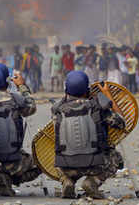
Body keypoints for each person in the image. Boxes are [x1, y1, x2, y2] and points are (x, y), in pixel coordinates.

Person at [52, 71, 125, 199]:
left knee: (60, 153)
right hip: (94, 165)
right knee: (116, 157)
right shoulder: (98, 107)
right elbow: (121, 123)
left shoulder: (56, 110)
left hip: (66, 166)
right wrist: (106, 94)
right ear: (87, 90)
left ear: (66, 90)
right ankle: (92, 182)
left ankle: (67, 181)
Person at [0, 63, 41, 196]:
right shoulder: (15, 99)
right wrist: (21, 86)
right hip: (14, 161)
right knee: (42, 163)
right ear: (7, 81)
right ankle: (10, 178)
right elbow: (31, 107)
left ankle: (2, 178)